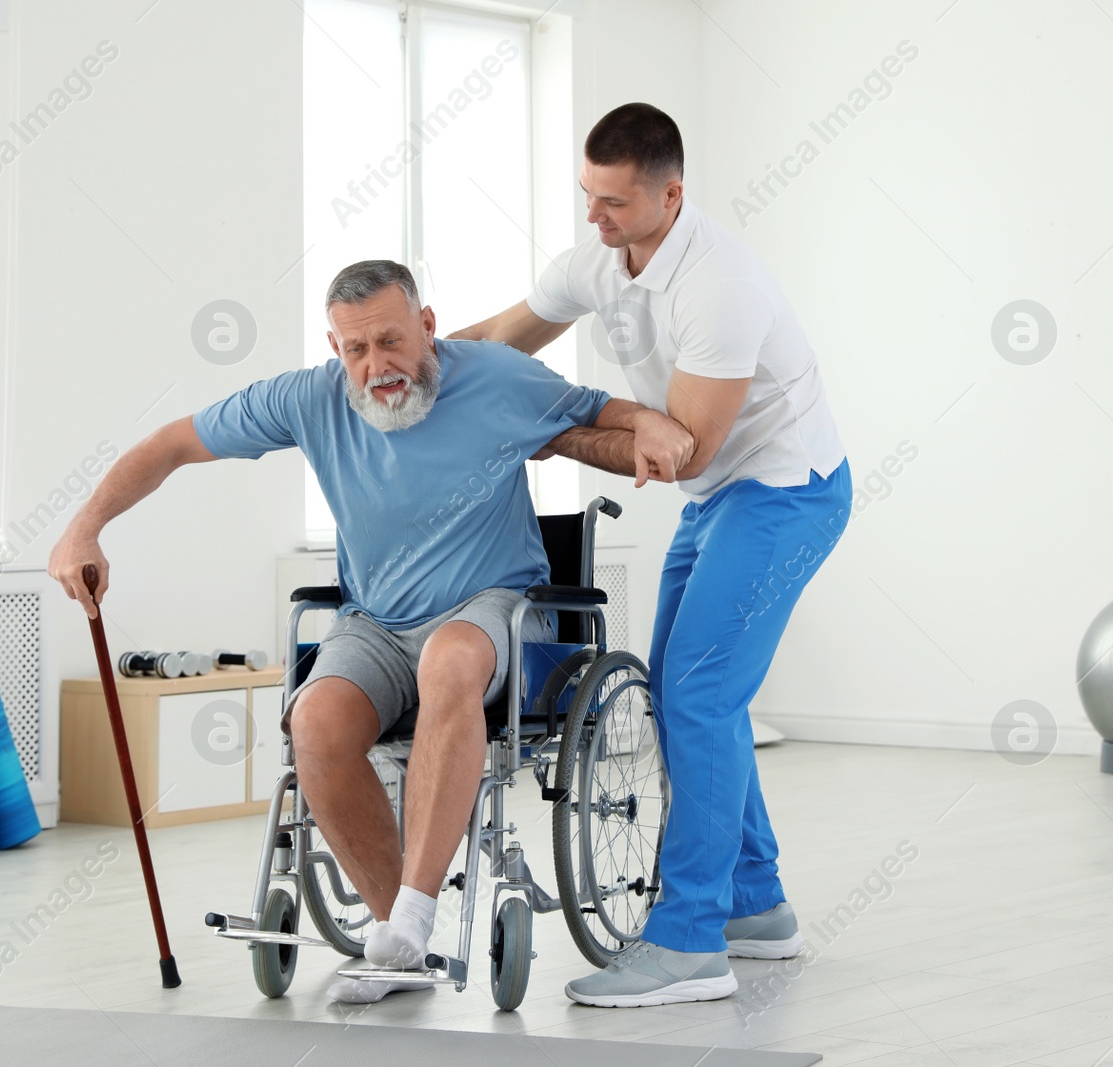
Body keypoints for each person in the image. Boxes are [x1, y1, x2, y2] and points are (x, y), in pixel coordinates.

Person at [48, 259, 694, 1003]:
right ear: (335, 349)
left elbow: (599, 409)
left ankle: (413, 916)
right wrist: (84, 528)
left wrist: (645, 418)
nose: (376, 366)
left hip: (491, 605)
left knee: (450, 660)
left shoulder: (496, 376)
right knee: (315, 720)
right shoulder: (310, 399)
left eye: (390, 341)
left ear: (427, 325)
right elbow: (169, 444)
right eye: (355, 350)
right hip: (377, 620)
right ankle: (398, 934)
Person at [452, 102, 852, 1008]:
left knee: (702, 692)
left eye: (617, 204)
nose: (596, 218)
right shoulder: (595, 259)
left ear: (673, 195)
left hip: (787, 492)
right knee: (684, 698)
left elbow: (683, 452)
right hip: (723, 499)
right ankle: (758, 907)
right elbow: (503, 337)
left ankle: (690, 942)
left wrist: (549, 431)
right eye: (588, 197)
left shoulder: (723, 286)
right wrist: (418, 361)